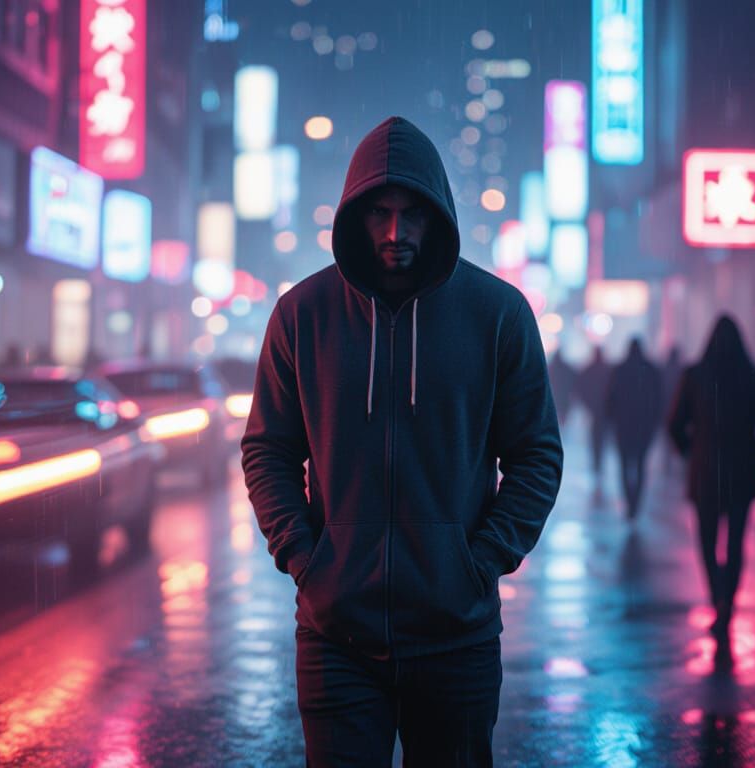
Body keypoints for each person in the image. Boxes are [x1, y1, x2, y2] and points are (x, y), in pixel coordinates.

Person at [241, 116, 563, 766]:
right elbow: (268, 450)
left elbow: (536, 455)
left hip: (458, 638)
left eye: (412, 214)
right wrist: (306, 558)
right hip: (336, 637)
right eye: (380, 213)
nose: (395, 232)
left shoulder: (496, 313)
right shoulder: (303, 315)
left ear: (438, 213)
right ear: (354, 216)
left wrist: (479, 563)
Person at [667, 316, 755, 665]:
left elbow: (675, 424)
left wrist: (691, 452)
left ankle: (716, 595)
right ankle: (727, 600)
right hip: (742, 472)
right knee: (735, 543)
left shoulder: (695, 376)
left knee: (705, 540)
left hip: (705, 472)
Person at [604, 338, 662, 519]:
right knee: (640, 464)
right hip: (643, 428)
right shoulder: (651, 371)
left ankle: (630, 501)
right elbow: (660, 399)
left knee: (624, 465)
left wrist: (612, 421)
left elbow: (610, 400)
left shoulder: (620, 370)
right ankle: (636, 502)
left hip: (624, 427)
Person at [576, 345, 613, 490]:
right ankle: (598, 462)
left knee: (595, 438)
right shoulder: (607, 370)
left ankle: (597, 462)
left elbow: (580, 388)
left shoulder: (589, 370)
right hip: (603, 411)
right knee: (601, 438)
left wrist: (588, 404)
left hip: (595, 410)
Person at [660, 347, 684, 474]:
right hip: (678, 410)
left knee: (667, 438)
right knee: (675, 435)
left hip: (667, 410)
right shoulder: (681, 371)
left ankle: (668, 464)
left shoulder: (665, 371)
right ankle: (678, 462)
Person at [547, 348, 577, 428]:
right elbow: (573, 380)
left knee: (555, 418)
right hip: (564, 398)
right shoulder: (567, 368)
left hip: (554, 397)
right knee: (563, 419)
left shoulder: (550, 368)